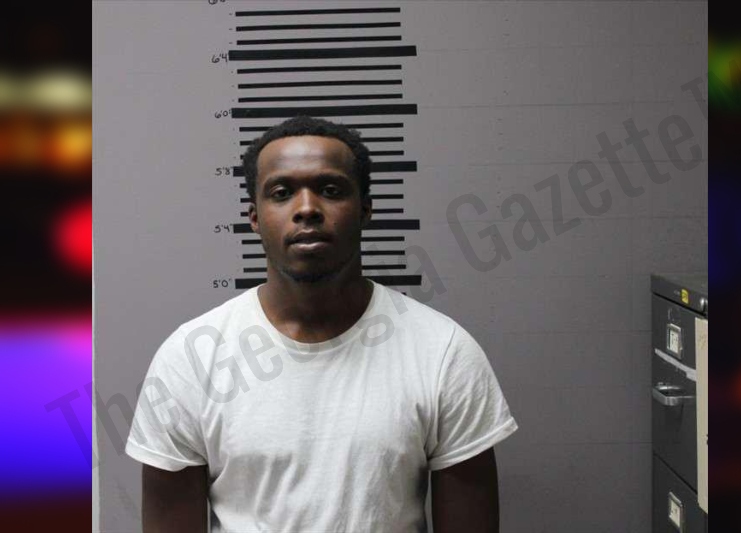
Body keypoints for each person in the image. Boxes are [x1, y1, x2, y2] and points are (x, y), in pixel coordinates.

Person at [125, 116, 518, 533]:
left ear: (365, 210)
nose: (307, 208)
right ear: (255, 217)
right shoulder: (190, 359)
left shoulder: (443, 351)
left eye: (331, 190)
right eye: (282, 193)